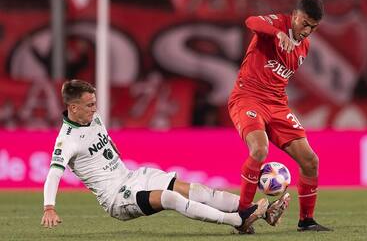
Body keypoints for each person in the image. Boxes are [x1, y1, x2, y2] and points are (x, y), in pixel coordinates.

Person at [41, 79, 272, 234]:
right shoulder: (67, 140)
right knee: (170, 198)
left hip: (132, 177)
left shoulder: (92, 117)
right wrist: (49, 207)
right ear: (73, 108)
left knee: (193, 190)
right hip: (116, 197)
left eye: (94, 103)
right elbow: (53, 173)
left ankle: (256, 209)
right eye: (89, 105)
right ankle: (238, 221)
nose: (94, 108)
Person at [228, 0, 331, 231]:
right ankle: (243, 216)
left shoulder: (304, 46)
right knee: (259, 149)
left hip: (277, 105)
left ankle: (306, 221)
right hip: (248, 98)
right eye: (304, 23)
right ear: (295, 15)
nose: (307, 30)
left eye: (313, 27)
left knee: (310, 161)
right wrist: (278, 34)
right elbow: (251, 21)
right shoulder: (276, 24)